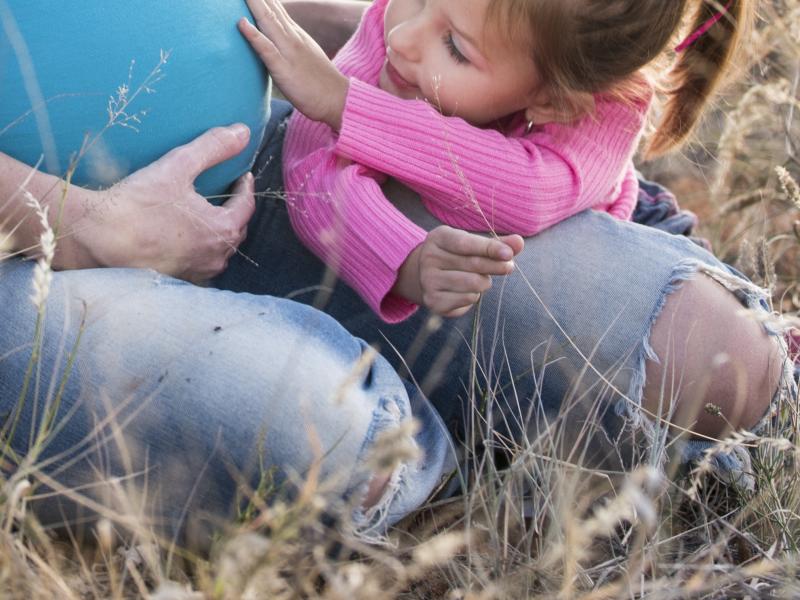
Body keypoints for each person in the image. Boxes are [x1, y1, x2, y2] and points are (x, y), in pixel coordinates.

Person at [0, 0, 794, 546]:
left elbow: (510, 176)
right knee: (337, 441)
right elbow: (325, 157)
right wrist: (85, 224)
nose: (413, 33)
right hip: (28, 260)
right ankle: (446, 451)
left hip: (260, 166)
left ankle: (476, 398)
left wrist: (360, 67)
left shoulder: (555, 88)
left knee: (712, 359)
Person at [218, 0, 796, 474]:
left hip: (611, 219)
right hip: (489, 245)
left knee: (741, 357)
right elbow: (308, 166)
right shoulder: (403, 28)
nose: (405, 37)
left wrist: (350, 107)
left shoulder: (606, 100)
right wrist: (399, 255)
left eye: (454, 47)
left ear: (553, 101)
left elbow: (525, 193)